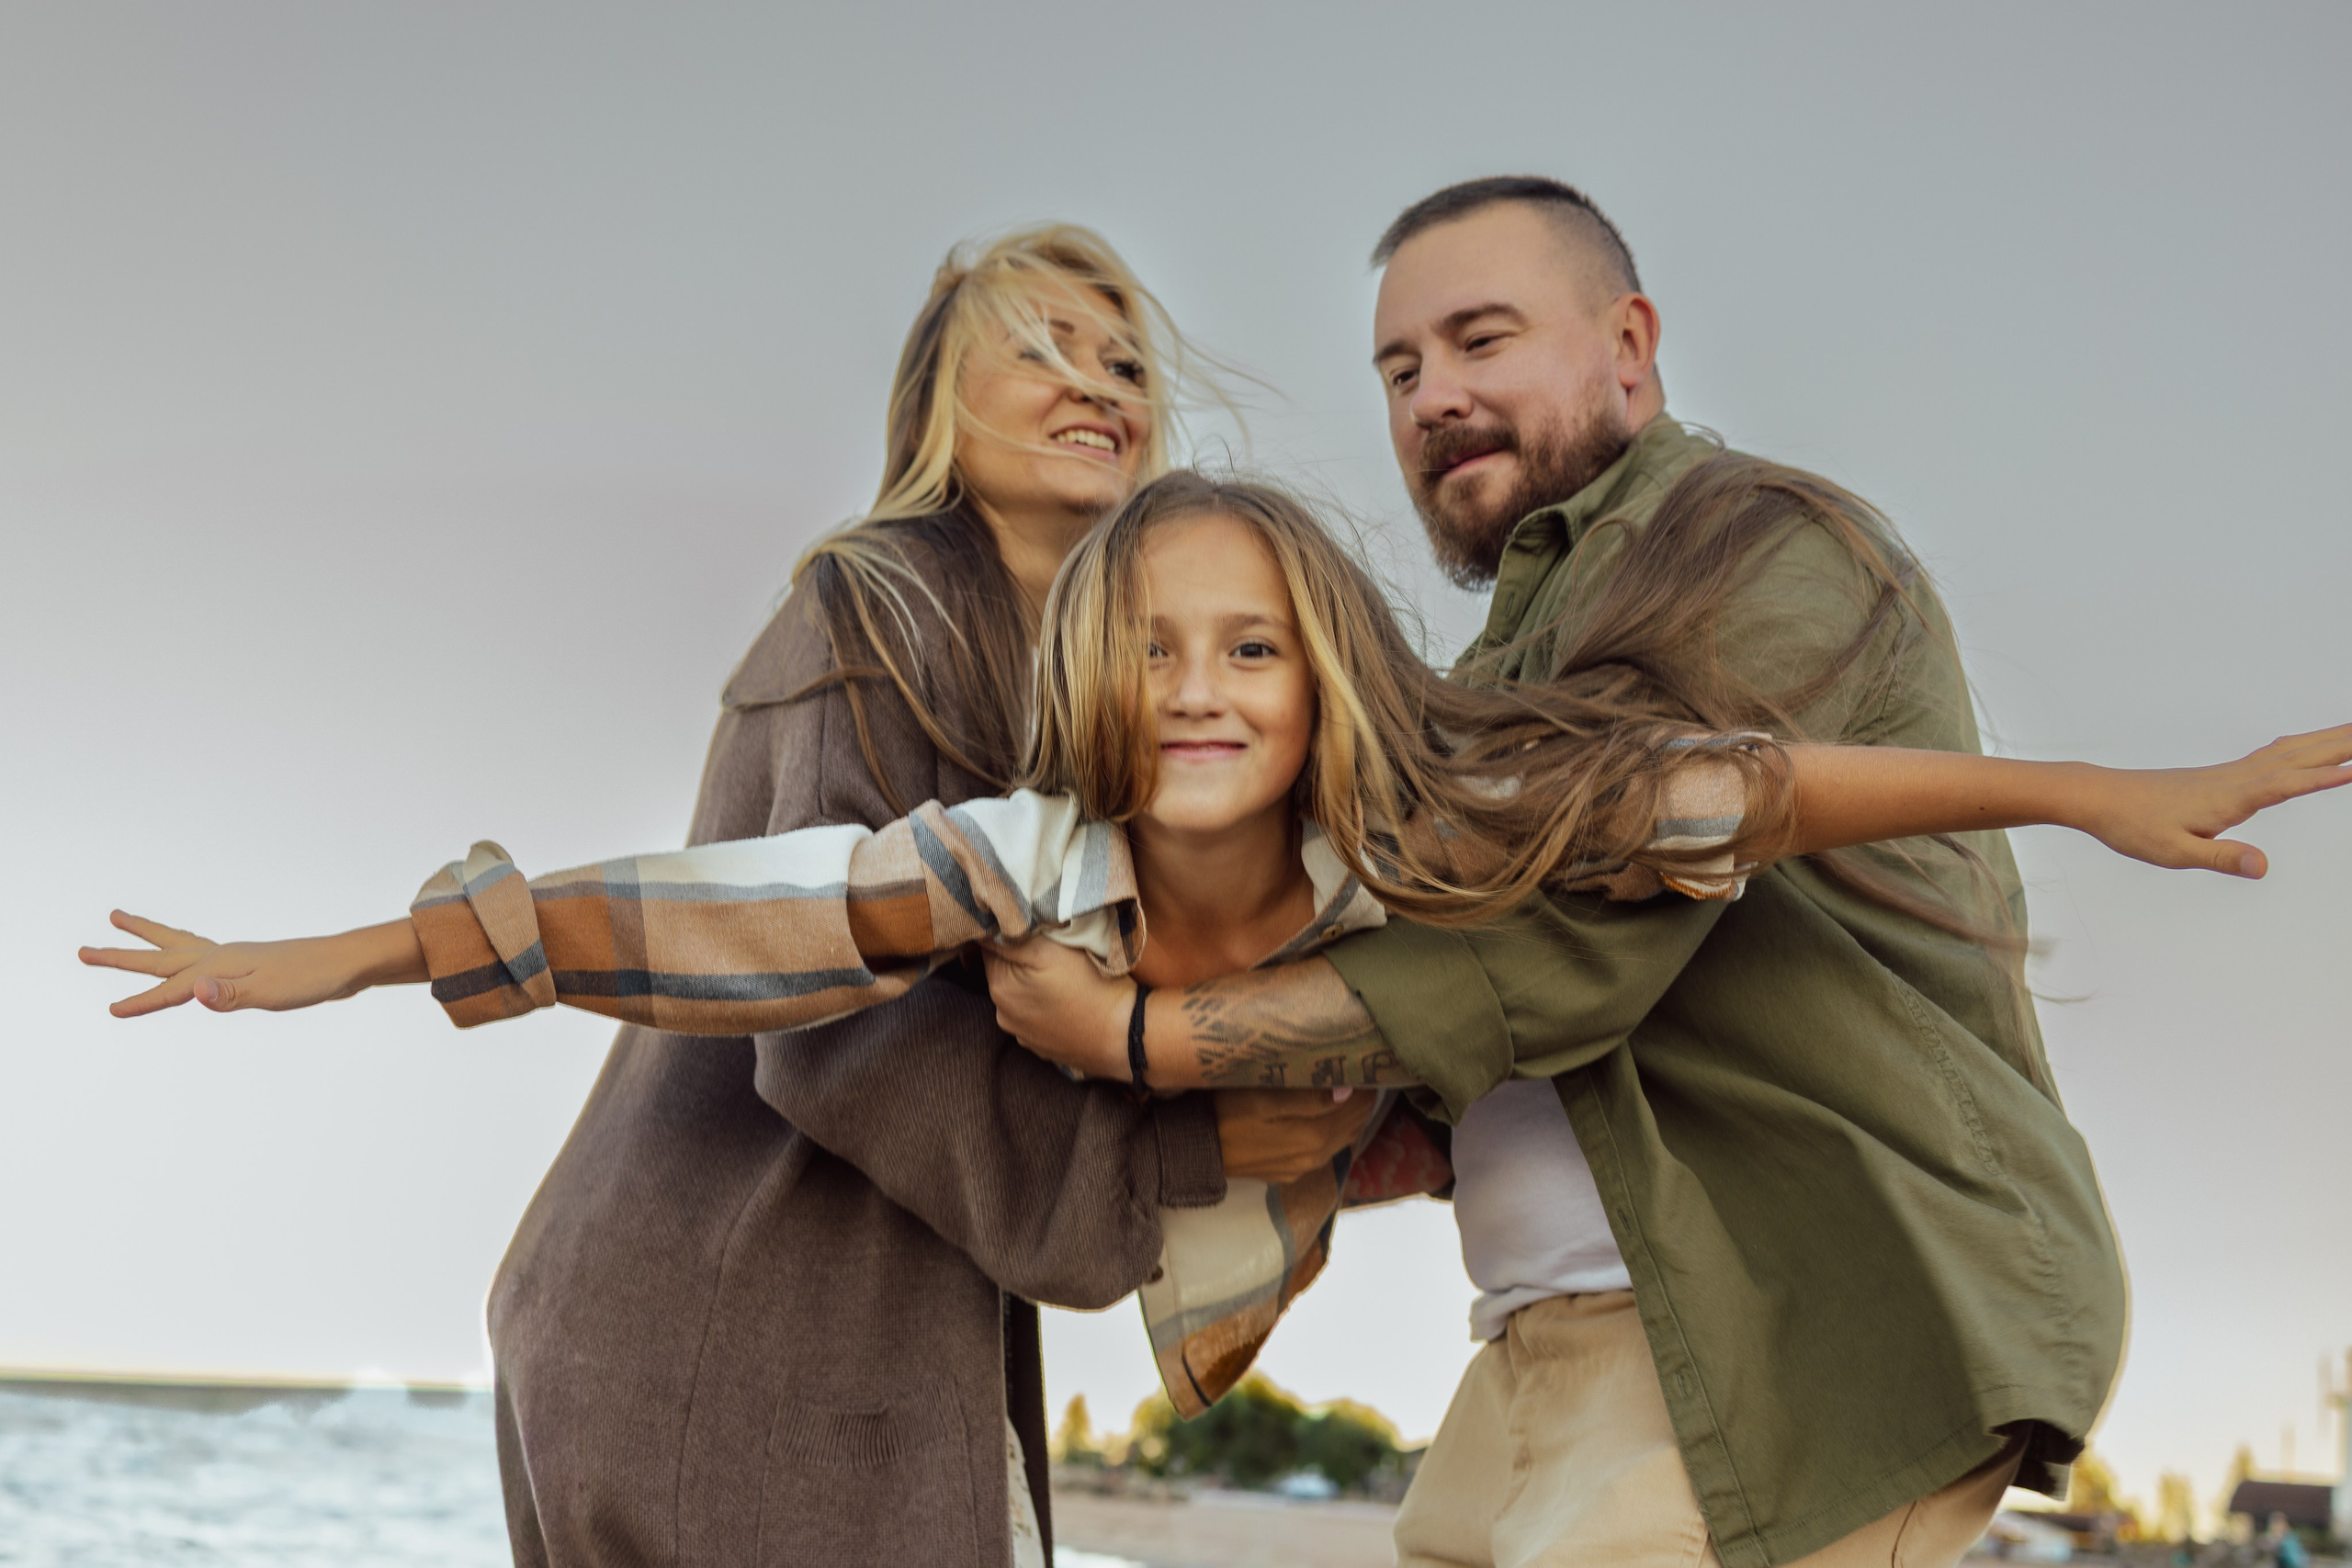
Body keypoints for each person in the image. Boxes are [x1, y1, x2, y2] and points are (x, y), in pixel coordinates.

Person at [89, 471, 2347, 1517]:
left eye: (1248, 644)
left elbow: (1731, 788)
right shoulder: (1026, 854)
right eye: (1152, 645)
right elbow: (697, 912)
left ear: (1315, 671)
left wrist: (2089, 785)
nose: (1197, 691)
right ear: (1095, 674)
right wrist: (345, 955)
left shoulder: (1432, 810)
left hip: (1368, 1129)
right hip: (1206, 1187)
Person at [976, 177, 2343, 1568]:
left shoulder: (1763, 544)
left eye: (1480, 339)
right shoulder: (1503, 656)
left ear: (1628, 345)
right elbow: (1447, 992)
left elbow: (1577, 940)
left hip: (1781, 1333)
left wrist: (1148, 1040)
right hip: (1547, 1339)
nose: (1432, 395)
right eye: (1401, 369)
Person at [86, 224, 1383, 1568]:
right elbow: (821, 1014)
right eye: (1042, 347)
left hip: (825, 1330)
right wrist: (1180, 1152)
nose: (1097, 382)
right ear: (939, 401)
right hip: (732, 1315)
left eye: (1122, 362)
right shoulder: (880, 609)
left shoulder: (1091, 704)